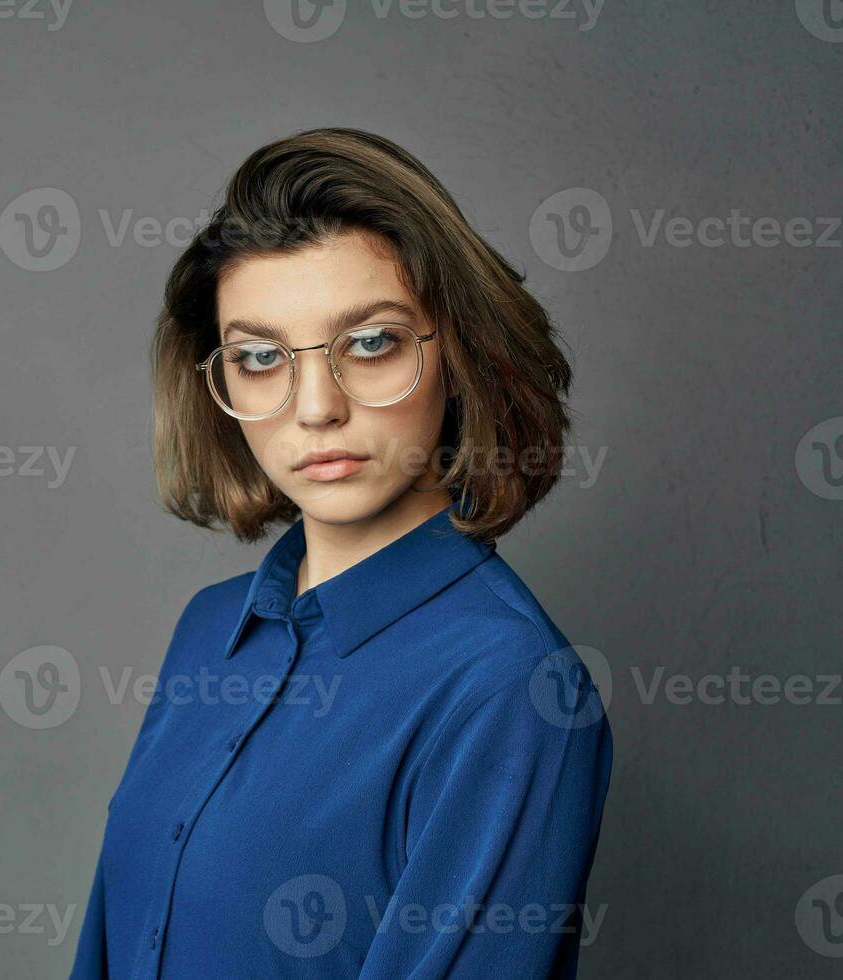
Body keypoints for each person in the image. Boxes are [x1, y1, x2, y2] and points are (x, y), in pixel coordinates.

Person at [68, 128, 613, 979]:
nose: (314, 408)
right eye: (259, 357)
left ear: (458, 357)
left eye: (370, 343)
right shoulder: (209, 629)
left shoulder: (511, 687)